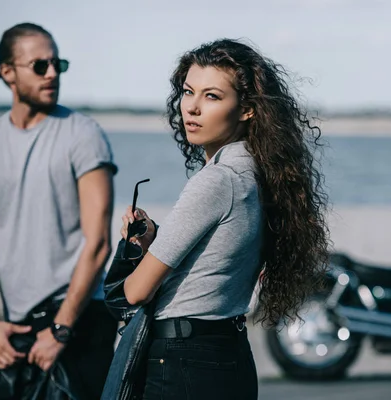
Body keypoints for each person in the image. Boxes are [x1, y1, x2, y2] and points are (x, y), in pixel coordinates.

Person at [118, 38, 330, 399]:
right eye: (188, 92)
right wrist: (157, 242)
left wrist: (132, 254)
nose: (193, 108)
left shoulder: (217, 181)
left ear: (247, 108)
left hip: (183, 361)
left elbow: (136, 291)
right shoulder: (260, 173)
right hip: (226, 354)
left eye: (212, 96)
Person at [0, 23, 118, 398]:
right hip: (16, 329)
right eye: (39, 65)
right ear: (8, 72)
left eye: (58, 64)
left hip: (79, 323)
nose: (52, 73)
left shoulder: (83, 135)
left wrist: (61, 330)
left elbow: (99, 243)